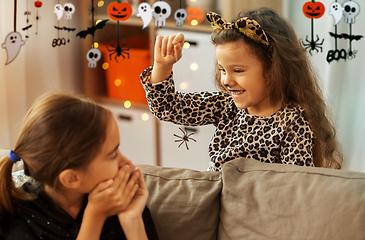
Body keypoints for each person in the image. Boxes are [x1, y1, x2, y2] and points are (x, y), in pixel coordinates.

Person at [140, 8, 343, 171]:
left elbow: (295, 187)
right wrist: (162, 67)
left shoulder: (293, 122)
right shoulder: (225, 106)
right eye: (222, 70)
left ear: (274, 69)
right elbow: (167, 108)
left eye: (237, 70)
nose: (227, 80)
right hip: (217, 201)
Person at [0, 93, 159, 239]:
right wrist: (95, 216)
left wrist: (133, 220)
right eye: (113, 155)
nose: (126, 162)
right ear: (71, 178)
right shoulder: (21, 219)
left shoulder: (121, 199)